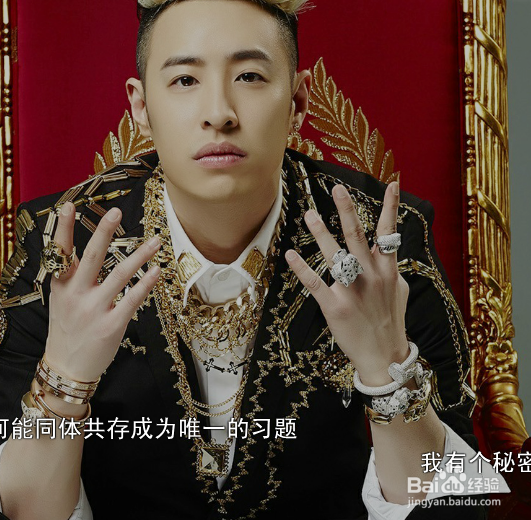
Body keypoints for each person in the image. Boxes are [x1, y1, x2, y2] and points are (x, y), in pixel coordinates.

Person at [0, 1, 509, 519]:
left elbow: (453, 506)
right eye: (184, 80)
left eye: (249, 76)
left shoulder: (382, 241)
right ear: (141, 106)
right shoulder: (61, 247)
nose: (219, 113)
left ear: (298, 102)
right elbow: (22, 510)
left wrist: (387, 371)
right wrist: (64, 379)